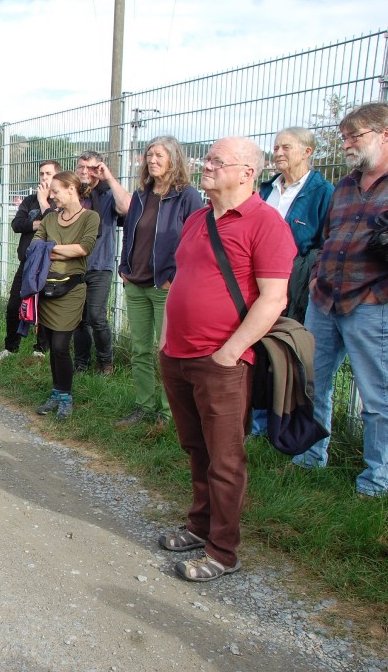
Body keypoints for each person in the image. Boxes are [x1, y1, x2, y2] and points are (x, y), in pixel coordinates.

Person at [158, 137, 295, 582]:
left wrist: (232, 351)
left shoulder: (266, 223)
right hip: (178, 354)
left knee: (225, 458)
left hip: (222, 361)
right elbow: (183, 278)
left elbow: (274, 298)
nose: (207, 165)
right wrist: (165, 339)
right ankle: (200, 526)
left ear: (246, 172)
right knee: (196, 447)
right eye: (209, 158)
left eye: (218, 161)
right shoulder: (199, 217)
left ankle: (223, 551)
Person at [292, 102, 388, 498]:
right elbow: (327, 236)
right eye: (345, 136)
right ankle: (310, 457)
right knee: (313, 384)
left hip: (371, 304)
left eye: (354, 136)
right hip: (325, 300)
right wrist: (316, 277)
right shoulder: (346, 185)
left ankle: (376, 481)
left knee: (377, 397)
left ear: (384, 135)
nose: (346, 143)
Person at [250, 126, 334, 436]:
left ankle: (281, 423)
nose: (278, 153)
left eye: (286, 147)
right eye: (275, 147)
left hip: (295, 283)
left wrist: (310, 275)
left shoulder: (323, 192)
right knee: (256, 347)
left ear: (307, 152)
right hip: (256, 280)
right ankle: (255, 422)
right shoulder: (267, 189)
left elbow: (326, 240)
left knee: (282, 352)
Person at [115, 136, 203, 429]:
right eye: (149, 155)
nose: (152, 160)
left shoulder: (187, 196)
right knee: (139, 349)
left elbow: (196, 241)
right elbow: (129, 234)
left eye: (159, 156)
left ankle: (168, 415)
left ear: (173, 159)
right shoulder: (141, 196)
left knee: (167, 352)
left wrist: (174, 278)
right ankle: (143, 407)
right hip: (136, 284)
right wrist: (124, 268)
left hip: (165, 287)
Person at [32, 171, 100, 420]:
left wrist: (49, 248)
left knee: (61, 345)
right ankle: (55, 393)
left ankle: (66, 396)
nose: (52, 196)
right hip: (46, 288)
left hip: (71, 290)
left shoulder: (90, 217)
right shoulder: (50, 218)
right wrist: (60, 251)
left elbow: (84, 248)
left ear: (72, 189)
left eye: (56, 191)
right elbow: (34, 247)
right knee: (52, 345)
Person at [0, 160, 58, 362]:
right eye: (41, 173)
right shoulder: (29, 201)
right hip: (27, 263)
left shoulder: (59, 201)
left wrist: (43, 202)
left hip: (49, 264)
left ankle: (40, 349)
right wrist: (39, 223)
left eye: (48, 173)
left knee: (43, 308)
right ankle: (10, 347)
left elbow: (55, 226)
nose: (44, 177)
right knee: (14, 306)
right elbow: (16, 224)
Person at [73, 151, 131, 374]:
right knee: (79, 318)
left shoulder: (108, 196)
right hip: (75, 264)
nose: (85, 172)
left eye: (90, 167)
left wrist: (107, 178)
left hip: (100, 265)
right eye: (81, 167)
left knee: (96, 316)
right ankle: (81, 363)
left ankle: (105, 362)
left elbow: (127, 210)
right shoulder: (74, 195)